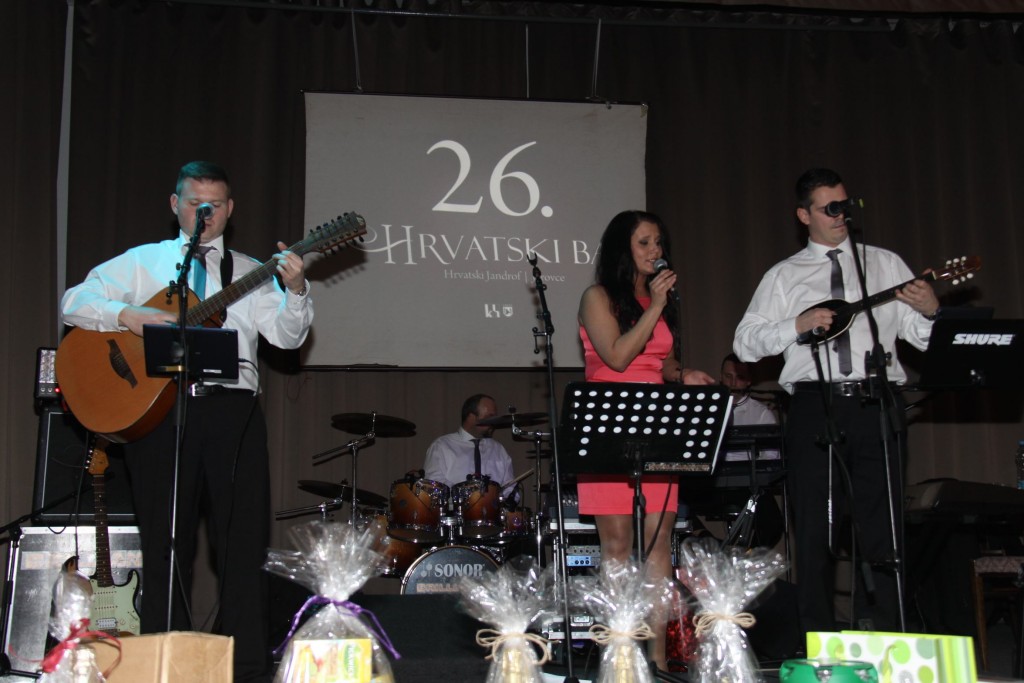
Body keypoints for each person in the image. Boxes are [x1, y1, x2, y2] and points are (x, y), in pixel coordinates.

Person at [61, 161, 313, 682]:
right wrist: (129, 316)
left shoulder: (249, 270)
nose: (206, 213)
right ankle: (164, 666)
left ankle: (245, 670)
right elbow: (75, 303)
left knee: (242, 546)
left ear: (230, 209)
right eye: (196, 203)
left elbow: (287, 338)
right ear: (175, 205)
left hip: (233, 414)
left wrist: (297, 291)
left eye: (215, 205)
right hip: (160, 410)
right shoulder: (143, 262)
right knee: (163, 543)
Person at [733, 168, 938, 635]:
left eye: (845, 206)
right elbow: (745, 343)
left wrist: (930, 311)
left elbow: (922, 338)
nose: (840, 215)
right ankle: (818, 641)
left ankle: (887, 638)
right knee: (814, 532)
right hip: (814, 406)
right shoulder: (784, 275)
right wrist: (796, 325)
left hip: (875, 403)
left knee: (883, 530)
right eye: (829, 208)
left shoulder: (885, 264)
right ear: (804, 215)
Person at [577, 209, 715, 672]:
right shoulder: (597, 297)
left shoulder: (657, 299)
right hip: (609, 424)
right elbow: (617, 357)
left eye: (659, 242)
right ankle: (619, 657)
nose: (655, 251)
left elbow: (661, 358)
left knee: (659, 543)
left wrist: (682, 373)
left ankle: (657, 661)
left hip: (655, 423)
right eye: (644, 243)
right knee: (617, 544)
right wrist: (654, 305)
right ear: (623, 248)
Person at [424, 393, 516, 491]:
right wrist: (465, 493)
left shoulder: (498, 449)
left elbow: (510, 487)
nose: (493, 422)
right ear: (471, 417)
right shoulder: (441, 446)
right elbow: (433, 483)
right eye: (489, 417)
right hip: (455, 501)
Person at [721, 352, 777, 427]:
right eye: (728, 376)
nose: (733, 383)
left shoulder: (762, 414)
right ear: (721, 377)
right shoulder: (710, 408)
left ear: (748, 380)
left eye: (740, 377)